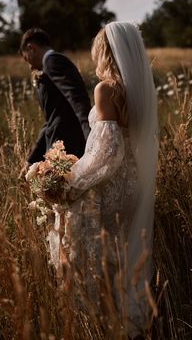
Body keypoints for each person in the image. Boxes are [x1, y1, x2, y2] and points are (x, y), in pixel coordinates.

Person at [47, 21, 158, 340]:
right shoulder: (135, 90)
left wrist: (70, 181)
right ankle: (123, 318)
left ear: (104, 51)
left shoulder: (106, 88)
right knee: (115, 252)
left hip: (109, 184)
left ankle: (95, 322)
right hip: (131, 183)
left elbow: (108, 151)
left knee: (81, 243)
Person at [20, 28, 91, 164]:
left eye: (25, 58)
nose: (28, 65)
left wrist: (90, 139)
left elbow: (77, 99)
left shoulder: (53, 61)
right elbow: (51, 119)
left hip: (67, 145)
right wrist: (32, 160)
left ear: (30, 48)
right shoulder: (48, 65)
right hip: (56, 144)